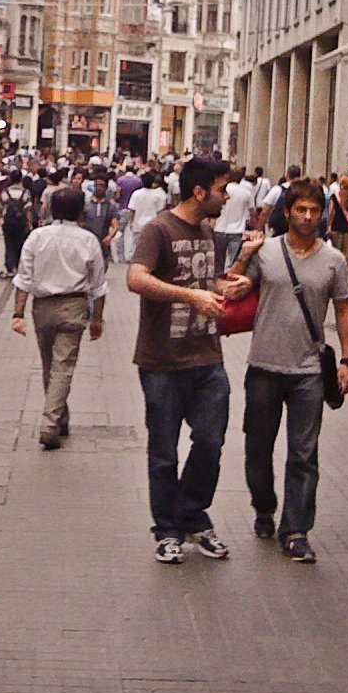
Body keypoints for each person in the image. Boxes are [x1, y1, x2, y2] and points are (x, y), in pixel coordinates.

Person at [220, 179, 348, 564]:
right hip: (263, 366)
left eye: (314, 210)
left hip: (309, 371)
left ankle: (296, 530)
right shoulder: (266, 252)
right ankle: (264, 506)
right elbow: (231, 289)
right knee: (257, 449)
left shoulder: (333, 260)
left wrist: (346, 360)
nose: (308, 217)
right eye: (301, 210)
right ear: (288, 212)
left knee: (304, 453)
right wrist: (245, 257)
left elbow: (343, 309)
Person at [126, 156, 233, 565]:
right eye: (222, 189)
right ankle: (168, 529)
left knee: (210, 441)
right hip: (162, 361)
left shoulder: (208, 231)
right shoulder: (158, 229)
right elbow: (136, 278)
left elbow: (206, 283)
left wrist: (229, 283)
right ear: (200, 192)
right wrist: (191, 296)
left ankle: (191, 514)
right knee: (164, 451)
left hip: (207, 357)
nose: (227, 197)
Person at [11, 187, 107, 449]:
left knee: (50, 365)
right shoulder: (88, 240)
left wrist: (18, 313)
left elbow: (23, 278)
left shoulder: (36, 237)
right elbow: (98, 285)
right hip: (74, 306)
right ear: (80, 211)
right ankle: (54, 421)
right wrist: (98, 318)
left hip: (42, 308)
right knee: (62, 366)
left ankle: (55, 420)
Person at [215, 166, 254, 269]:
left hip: (219, 228)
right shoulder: (246, 192)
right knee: (235, 262)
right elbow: (252, 210)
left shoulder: (222, 190)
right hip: (237, 230)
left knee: (218, 262)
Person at [0, 171, 34, 275]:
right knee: (20, 244)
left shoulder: (5, 192)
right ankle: (18, 266)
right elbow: (28, 209)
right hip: (21, 222)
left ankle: (9, 267)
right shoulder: (25, 192)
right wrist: (30, 223)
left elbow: (0, 207)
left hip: (8, 222)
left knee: (8, 244)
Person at [81, 177, 120, 267]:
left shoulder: (111, 206)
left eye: (101, 185)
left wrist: (110, 237)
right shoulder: (86, 204)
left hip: (103, 242)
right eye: (96, 185)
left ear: (106, 188)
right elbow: (80, 221)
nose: (98, 188)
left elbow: (115, 224)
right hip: (87, 242)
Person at [127, 172, 166, 254]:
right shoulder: (157, 195)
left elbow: (132, 210)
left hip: (137, 224)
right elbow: (160, 210)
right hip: (152, 223)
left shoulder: (136, 194)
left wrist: (131, 222)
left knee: (137, 245)